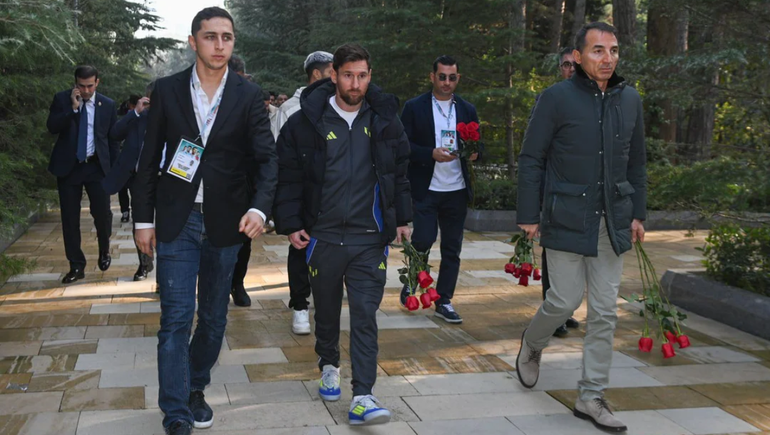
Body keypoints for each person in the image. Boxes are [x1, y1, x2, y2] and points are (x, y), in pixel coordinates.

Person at [131, 7, 278, 435]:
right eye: (210, 37)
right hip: (177, 218)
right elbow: (147, 160)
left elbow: (267, 160)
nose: (219, 45)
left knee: (213, 318)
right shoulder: (168, 90)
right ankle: (175, 412)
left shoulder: (248, 96)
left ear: (233, 43)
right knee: (176, 317)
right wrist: (143, 219)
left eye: (227, 37)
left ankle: (195, 386)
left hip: (228, 222)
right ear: (193, 41)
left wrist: (259, 208)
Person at [514, 22, 647, 433]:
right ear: (578, 57)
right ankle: (532, 343)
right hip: (567, 216)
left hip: (614, 220)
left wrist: (638, 213)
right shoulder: (555, 99)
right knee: (563, 302)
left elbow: (637, 162)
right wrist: (529, 215)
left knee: (605, 312)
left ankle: (591, 396)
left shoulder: (630, 100)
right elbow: (532, 158)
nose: (608, 58)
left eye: (614, 50)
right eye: (598, 51)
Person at [273, 43, 412, 426]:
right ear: (334, 74)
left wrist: (401, 218)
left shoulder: (385, 120)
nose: (356, 83)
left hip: (370, 237)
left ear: (370, 75)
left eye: (363, 75)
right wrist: (291, 223)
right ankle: (329, 362)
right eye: (348, 75)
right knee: (328, 309)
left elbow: (398, 173)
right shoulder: (305, 122)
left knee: (365, 314)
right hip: (324, 235)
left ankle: (364, 394)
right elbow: (289, 177)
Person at [400, 55, 481, 324]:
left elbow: (479, 146)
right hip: (427, 186)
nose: (447, 82)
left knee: (452, 248)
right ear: (432, 76)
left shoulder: (467, 109)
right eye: (442, 76)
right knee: (423, 239)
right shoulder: (415, 108)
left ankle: (444, 300)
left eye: (452, 77)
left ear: (458, 78)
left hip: (456, 189)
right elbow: (403, 146)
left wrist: (473, 154)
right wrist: (430, 154)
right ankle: (413, 282)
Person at [275, 50, 334, 335]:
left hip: (333, 195)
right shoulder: (290, 109)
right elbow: (278, 159)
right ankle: (300, 305)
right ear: (317, 75)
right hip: (302, 194)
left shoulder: (337, 104)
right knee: (300, 249)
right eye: (332, 72)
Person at [47, 65, 118, 284]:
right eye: (81, 85)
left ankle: (104, 249)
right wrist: (73, 109)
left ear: (97, 83)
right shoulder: (62, 99)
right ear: (75, 83)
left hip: (96, 168)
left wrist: (115, 172)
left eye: (89, 86)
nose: (85, 91)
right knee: (69, 219)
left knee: (103, 215)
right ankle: (76, 266)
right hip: (69, 168)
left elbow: (112, 139)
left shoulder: (108, 105)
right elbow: (52, 126)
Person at [103, 84, 155, 281]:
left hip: (165, 180)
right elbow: (115, 134)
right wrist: (134, 112)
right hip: (138, 179)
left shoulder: (173, 120)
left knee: (165, 225)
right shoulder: (137, 118)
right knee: (140, 224)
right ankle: (144, 263)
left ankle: (164, 274)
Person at [545, 46, 580, 338]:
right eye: (565, 65)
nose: (570, 70)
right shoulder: (551, 99)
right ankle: (554, 314)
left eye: (574, 65)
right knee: (554, 256)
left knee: (575, 254)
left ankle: (566, 310)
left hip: (582, 192)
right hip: (556, 188)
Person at [117, 95, 141, 223]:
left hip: (133, 160)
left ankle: (130, 211)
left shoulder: (143, 118)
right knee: (123, 188)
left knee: (132, 188)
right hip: (123, 158)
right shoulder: (123, 117)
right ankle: (125, 211)